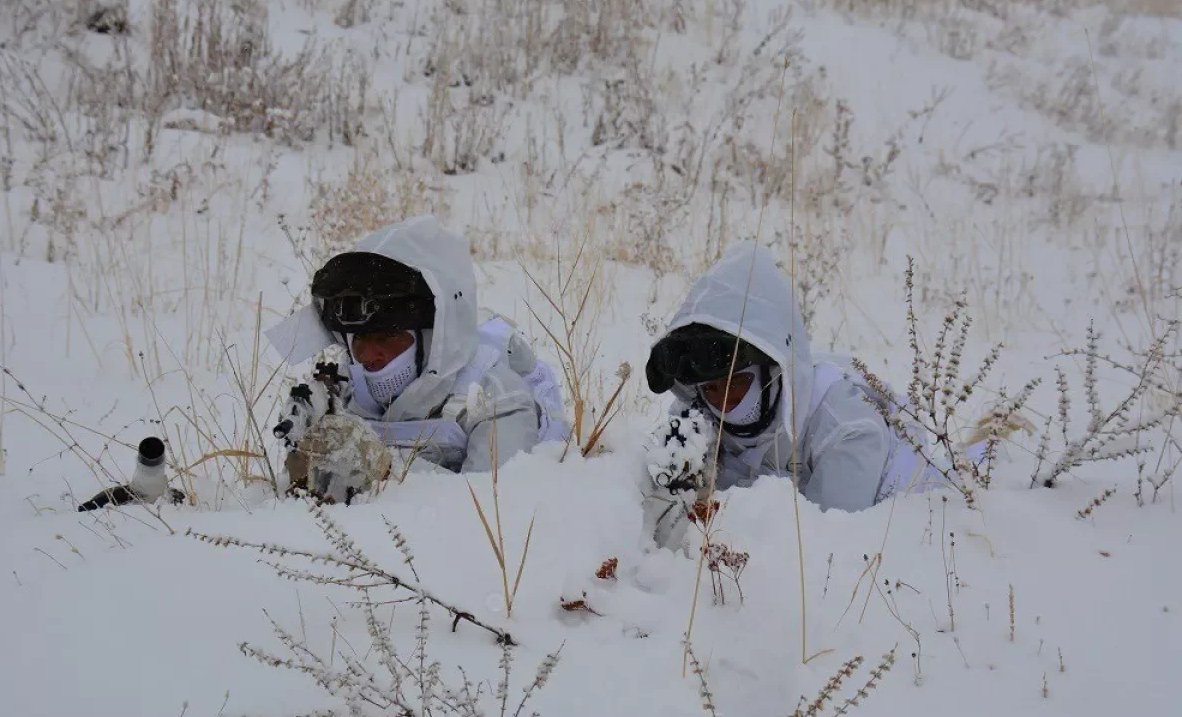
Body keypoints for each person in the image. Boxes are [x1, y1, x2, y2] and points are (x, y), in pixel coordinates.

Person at [640, 241, 943, 543]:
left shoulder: (846, 426)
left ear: (772, 370)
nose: (721, 401)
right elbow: (663, 526)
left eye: (735, 383)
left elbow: (830, 552)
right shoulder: (695, 419)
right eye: (710, 387)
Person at [265, 216, 569, 503]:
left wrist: (381, 470)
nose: (369, 356)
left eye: (386, 337)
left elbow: (491, 511)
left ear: (432, 337)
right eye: (358, 340)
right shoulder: (343, 390)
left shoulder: (495, 398)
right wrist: (306, 445)